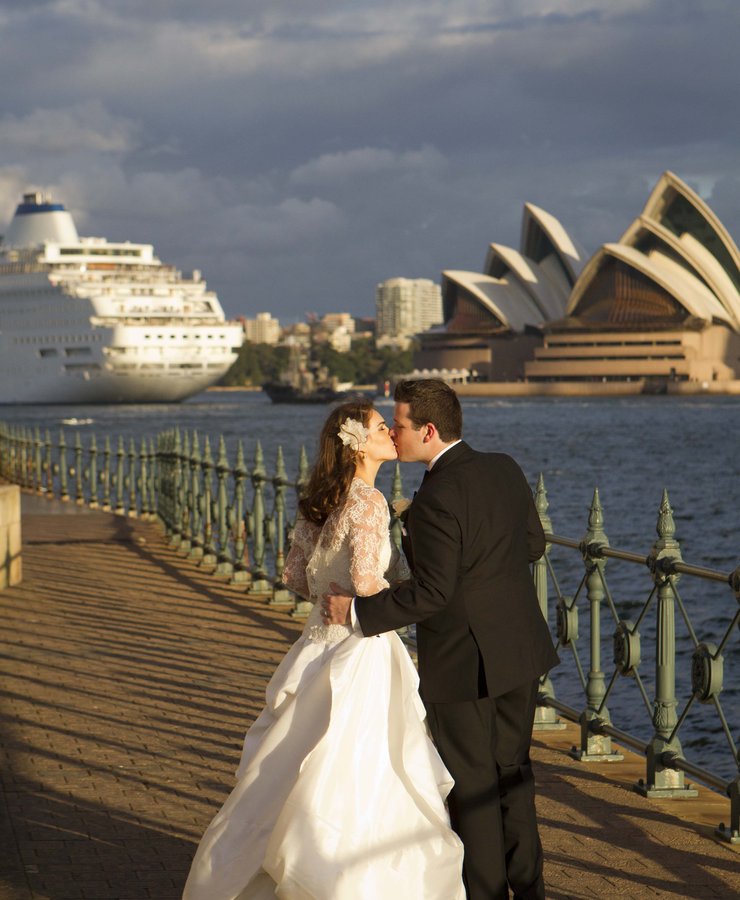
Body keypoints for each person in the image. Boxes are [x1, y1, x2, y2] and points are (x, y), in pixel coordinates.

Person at [183, 398, 465, 900]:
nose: (391, 434)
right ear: (360, 443)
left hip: (315, 644)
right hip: (360, 648)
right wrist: (398, 586)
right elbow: (365, 582)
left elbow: (293, 575)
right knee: (367, 768)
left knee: (291, 767)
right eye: (383, 427)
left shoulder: (321, 499)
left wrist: (332, 596)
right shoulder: (368, 502)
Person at [323, 379, 559, 900]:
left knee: (473, 787)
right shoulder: (504, 468)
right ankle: (531, 891)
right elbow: (533, 545)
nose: (394, 434)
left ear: (428, 430)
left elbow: (430, 594)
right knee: (514, 775)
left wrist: (358, 612)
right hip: (519, 649)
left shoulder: (433, 501)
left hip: (463, 662)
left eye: (400, 426)